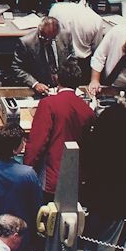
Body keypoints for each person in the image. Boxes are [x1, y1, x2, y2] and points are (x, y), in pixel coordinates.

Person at [77, 104, 126, 251]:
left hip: (94, 201)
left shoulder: (92, 145)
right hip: (116, 206)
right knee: (106, 244)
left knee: (90, 240)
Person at [25, 60, 94, 196]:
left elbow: (37, 143)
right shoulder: (87, 110)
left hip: (51, 177)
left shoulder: (48, 104)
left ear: (56, 78)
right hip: (76, 179)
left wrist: (26, 170)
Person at [48, 0, 105, 75]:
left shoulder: (57, 8)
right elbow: (97, 49)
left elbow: (48, 33)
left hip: (58, 62)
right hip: (82, 66)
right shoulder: (97, 19)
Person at [11, 17, 73, 95]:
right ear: (39, 30)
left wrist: (66, 79)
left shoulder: (66, 35)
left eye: (51, 39)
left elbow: (72, 59)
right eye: (45, 38)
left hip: (63, 86)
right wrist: (35, 84)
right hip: (41, 87)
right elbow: (16, 67)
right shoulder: (26, 42)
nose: (48, 41)